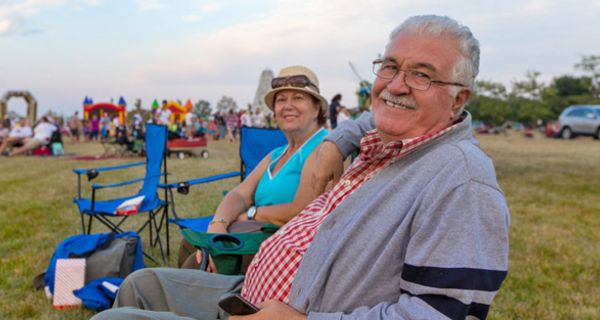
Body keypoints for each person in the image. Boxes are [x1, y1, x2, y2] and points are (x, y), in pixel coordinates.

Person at [93, 15, 509, 320]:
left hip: (301, 311)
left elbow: (446, 314)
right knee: (140, 283)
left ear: (457, 100)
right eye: (390, 66)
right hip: (251, 293)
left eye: (422, 75)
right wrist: (335, 142)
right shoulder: (380, 138)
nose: (396, 84)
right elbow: (376, 113)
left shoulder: (461, 182)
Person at [176, 65, 329, 270]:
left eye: (298, 98)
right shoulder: (277, 154)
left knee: (198, 263)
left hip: (284, 248)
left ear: (316, 108)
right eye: (281, 100)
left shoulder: (325, 147)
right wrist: (218, 224)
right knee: (192, 245)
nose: (288, 106)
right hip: (253, 233)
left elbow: (301, 210)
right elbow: (239, 194)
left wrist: (249, 214)